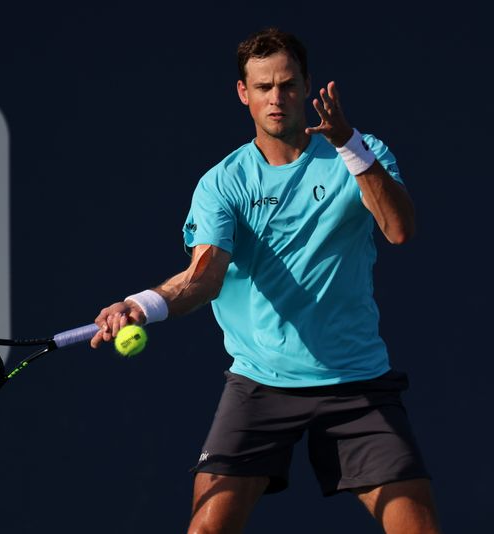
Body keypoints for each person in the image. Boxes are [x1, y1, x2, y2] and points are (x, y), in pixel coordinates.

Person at [90, 28, 442, 534]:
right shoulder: (224, 183)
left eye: (287, 85)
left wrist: (351, 148)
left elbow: (399, 229)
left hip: (355, 381)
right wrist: (144, 303)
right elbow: (204, 276)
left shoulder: (362, 154)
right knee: (207, 528)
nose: (276, 98)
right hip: (260, 380)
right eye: (262, 87)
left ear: (306, 85)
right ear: (243, 93)